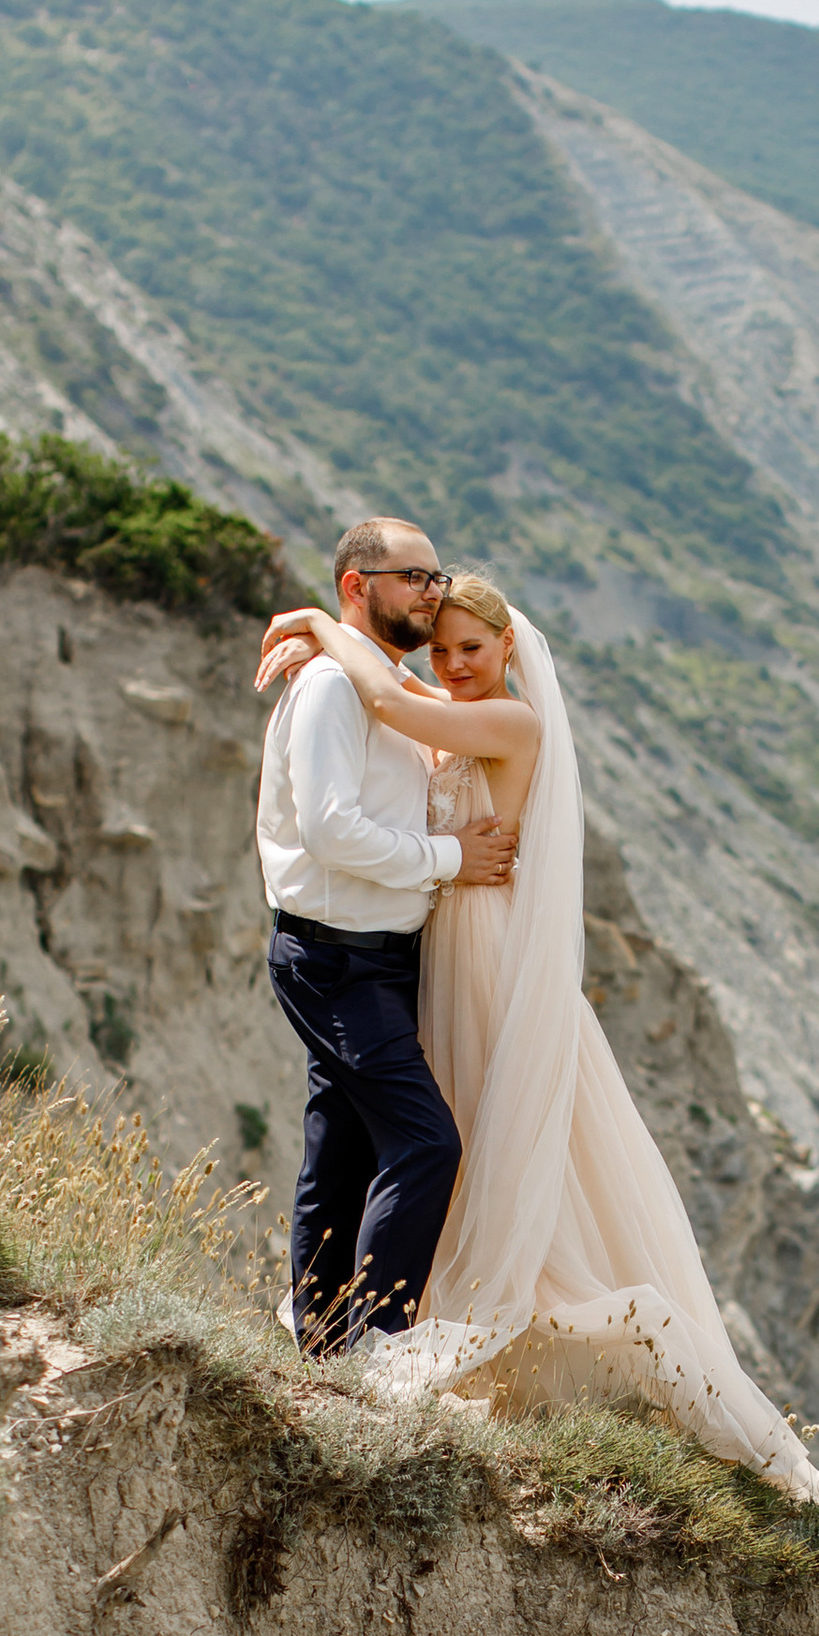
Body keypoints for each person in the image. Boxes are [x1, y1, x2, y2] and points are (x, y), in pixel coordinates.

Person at [257, 571, 819, 1503]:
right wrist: (338, 638)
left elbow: (379, 690)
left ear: (509, 651)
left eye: (471, 651)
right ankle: (351, 1331)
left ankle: (385, 1338)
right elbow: (393, 690)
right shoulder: (451, 703)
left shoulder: (511, 722)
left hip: (484, 952)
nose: (450, 665)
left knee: (468, 1133)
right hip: (440, 945)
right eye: (441, 649)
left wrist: (324, 626)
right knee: (420, 1133)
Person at [255, 519, 515, 1351]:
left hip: (382, 958)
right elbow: (330, 831)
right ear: (356, 586)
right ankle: (378, 1345)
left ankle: (320, 1340)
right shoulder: (334, 688)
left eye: (436, 578)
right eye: (413, 577)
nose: (431, 596)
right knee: (426, 1143)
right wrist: (451, 858)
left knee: (339, 1155)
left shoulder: (385, 689)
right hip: (336, 956)